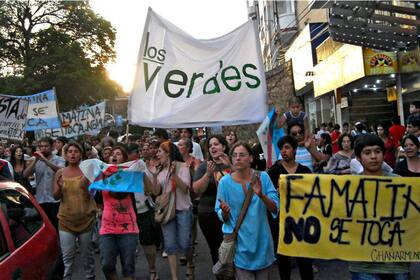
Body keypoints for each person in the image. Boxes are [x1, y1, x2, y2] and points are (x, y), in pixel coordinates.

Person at [349, 134, 410, 280]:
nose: (373, 157)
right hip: (363, 264)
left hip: (397, 263)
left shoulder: (400, 183)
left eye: (377, 151)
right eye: (367, 152)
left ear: (383, 154)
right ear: (358, 157)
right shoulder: (349, 186)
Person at [215, 142, 278, 279]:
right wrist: (224, 212)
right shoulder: (224, 183)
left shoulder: (263, 177)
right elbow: (220, 214)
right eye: (235, 155)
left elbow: (275, 208)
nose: (237, 158)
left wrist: (261, 195)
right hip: (240, 246)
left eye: (242, 155)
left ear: (251, 158)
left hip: (262, 243)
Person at [98, 146, 155, 280]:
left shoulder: (130, 174)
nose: (114, 155)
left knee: (128, 267)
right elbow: (96, 197)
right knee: (106, 264)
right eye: (112, 154)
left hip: (128, 227)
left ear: (124, 159)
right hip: (107, 228)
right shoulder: (103, 173)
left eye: (118, 154)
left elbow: (149, 190)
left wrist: (142, 173)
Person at [267, 136, 313, 280]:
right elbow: (270, 197)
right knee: (284, 261)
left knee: (305, 261)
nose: (284, 151)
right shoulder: (274, 172)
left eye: (287, 148)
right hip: (281, 222)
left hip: (302, 221)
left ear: (294, 150)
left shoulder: (305, 171)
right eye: (281, 148)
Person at [53, 142, 97, 280]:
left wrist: (86, 184)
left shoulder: (87, 171)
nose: (72, 154)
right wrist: (60, 187)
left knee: (87, 255)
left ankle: (90, 277)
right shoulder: (60, 172)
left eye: (76, 151)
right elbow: (55, 196)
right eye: (70, 151)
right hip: (66, 221)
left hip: (86, 219)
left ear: (81, 154)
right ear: (65, 155)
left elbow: (93, 193)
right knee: (67, 258)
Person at [192, 135, 231, 267]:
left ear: (224, 147)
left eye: (216, 144)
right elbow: (197, 189)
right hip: (208, 214)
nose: (213, 147)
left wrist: (230, 167)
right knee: (217, 249)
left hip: (231, 212)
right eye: (210, 146)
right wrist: (208, 174)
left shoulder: (232, 163)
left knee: (232, 248)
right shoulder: (204, 166)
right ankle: (221, 274)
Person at [156, 141, 192, 280]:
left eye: (160, 151)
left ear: (168, 153)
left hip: (182, 209)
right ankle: (174, 277)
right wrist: (152, 175)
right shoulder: (160, 170)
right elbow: (155, 191)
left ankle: (190, 264)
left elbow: (185, 188)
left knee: (184, 243)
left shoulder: (183, 167)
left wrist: (173, 175)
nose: (157, 154)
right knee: (170, 245)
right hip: (166, 211)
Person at [23, 137, 65, 229]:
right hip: (41, 200)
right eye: (41, 146)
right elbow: (25, 174)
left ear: (52, 146)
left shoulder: (59, 159)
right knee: (45, 228)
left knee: (56, 227)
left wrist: (45, 161)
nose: (43, 148)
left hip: (55, 201)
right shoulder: (36, 160)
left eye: (46, 146)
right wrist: (35, 161)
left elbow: (61, 170)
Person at [177, 137, 201, 274]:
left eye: (181, 145)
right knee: (185, 225)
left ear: (187, 147)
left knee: (192, 223)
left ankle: (189, 249)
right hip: (181, 196)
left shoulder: (194, 161)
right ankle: (186, 249)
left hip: (193, 196)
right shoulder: (176, 162)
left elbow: (197, 176)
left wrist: (189, 170)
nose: (178, 147)